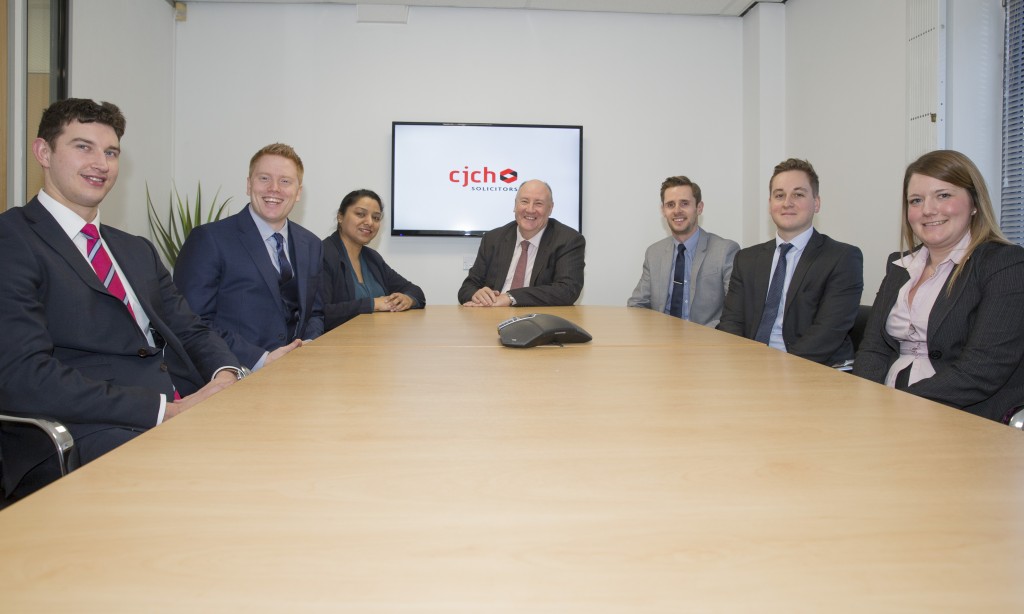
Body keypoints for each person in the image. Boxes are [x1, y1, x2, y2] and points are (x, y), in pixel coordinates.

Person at [0, 98, 245, 503]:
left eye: (111, 152)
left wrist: (225, 377)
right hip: (91, 427)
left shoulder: (135, 249)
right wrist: (163, 410)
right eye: (83, 147)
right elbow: (24, 376)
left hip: (181, 405)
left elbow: (190, 327)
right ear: (43, 152)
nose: (101, 163)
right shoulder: (13, 239)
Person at [853, 150, 1024, 422]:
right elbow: (874, 348)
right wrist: (863, 400)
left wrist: (896, 406)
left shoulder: (1005, 264)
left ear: (974, 202)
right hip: (887, 408)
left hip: (965, 416)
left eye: (943, 195)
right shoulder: (899, 267)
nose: (928, 209)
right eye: (916, 200)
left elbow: (982, 370)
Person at [175, 143, 324, 370]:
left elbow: (315, 312)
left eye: (285, 181)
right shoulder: (209, 239)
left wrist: (308, 345)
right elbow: (191, 321)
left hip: (296, 374)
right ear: (248, 184)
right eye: (264, 178)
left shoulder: (311, 244)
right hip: (235, 376)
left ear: (298, 193)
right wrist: (260, 359)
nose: (274, 188)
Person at [717, 158, 863, 365]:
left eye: (798, 194)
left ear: (817, 203)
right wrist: (744, 363)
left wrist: (780, 369)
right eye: (779, 195)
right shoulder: (747, 259)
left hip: (813, 369)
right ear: (770, 205)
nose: (787, 203)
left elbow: (827, 333)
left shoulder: (842, 258)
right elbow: (731, 322)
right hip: (751, 366)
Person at [627, 176, 740, 327]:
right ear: (663, 211)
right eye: (670, 205)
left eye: (684, 204)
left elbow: (735, 311)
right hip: (662, 342)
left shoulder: (725, 250)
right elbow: (636, 305)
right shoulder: (654, 253)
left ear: (699, 208)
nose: (677, 211)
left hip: (706, 341)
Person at [458, 179, 585, 307]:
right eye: (524, 201)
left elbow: (568, 290)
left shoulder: (568, 240)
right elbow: (466, 288)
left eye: (538, 203)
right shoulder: (493, 239)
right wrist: (477, 294)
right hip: (492, 317)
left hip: (540, 320)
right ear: (515, 205)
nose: (530, 209)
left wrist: (510, 298)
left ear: (550, 208)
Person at [321, 189, 426, 330]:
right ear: (340, 216)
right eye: (360, 214)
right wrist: (373, 304)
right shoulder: (323, 254)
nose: (370, 222)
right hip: (336, 347)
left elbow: (415, 292)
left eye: (376, 218)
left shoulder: (372, 258)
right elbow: (321, 313)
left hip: (374, 342)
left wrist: (407, 299)